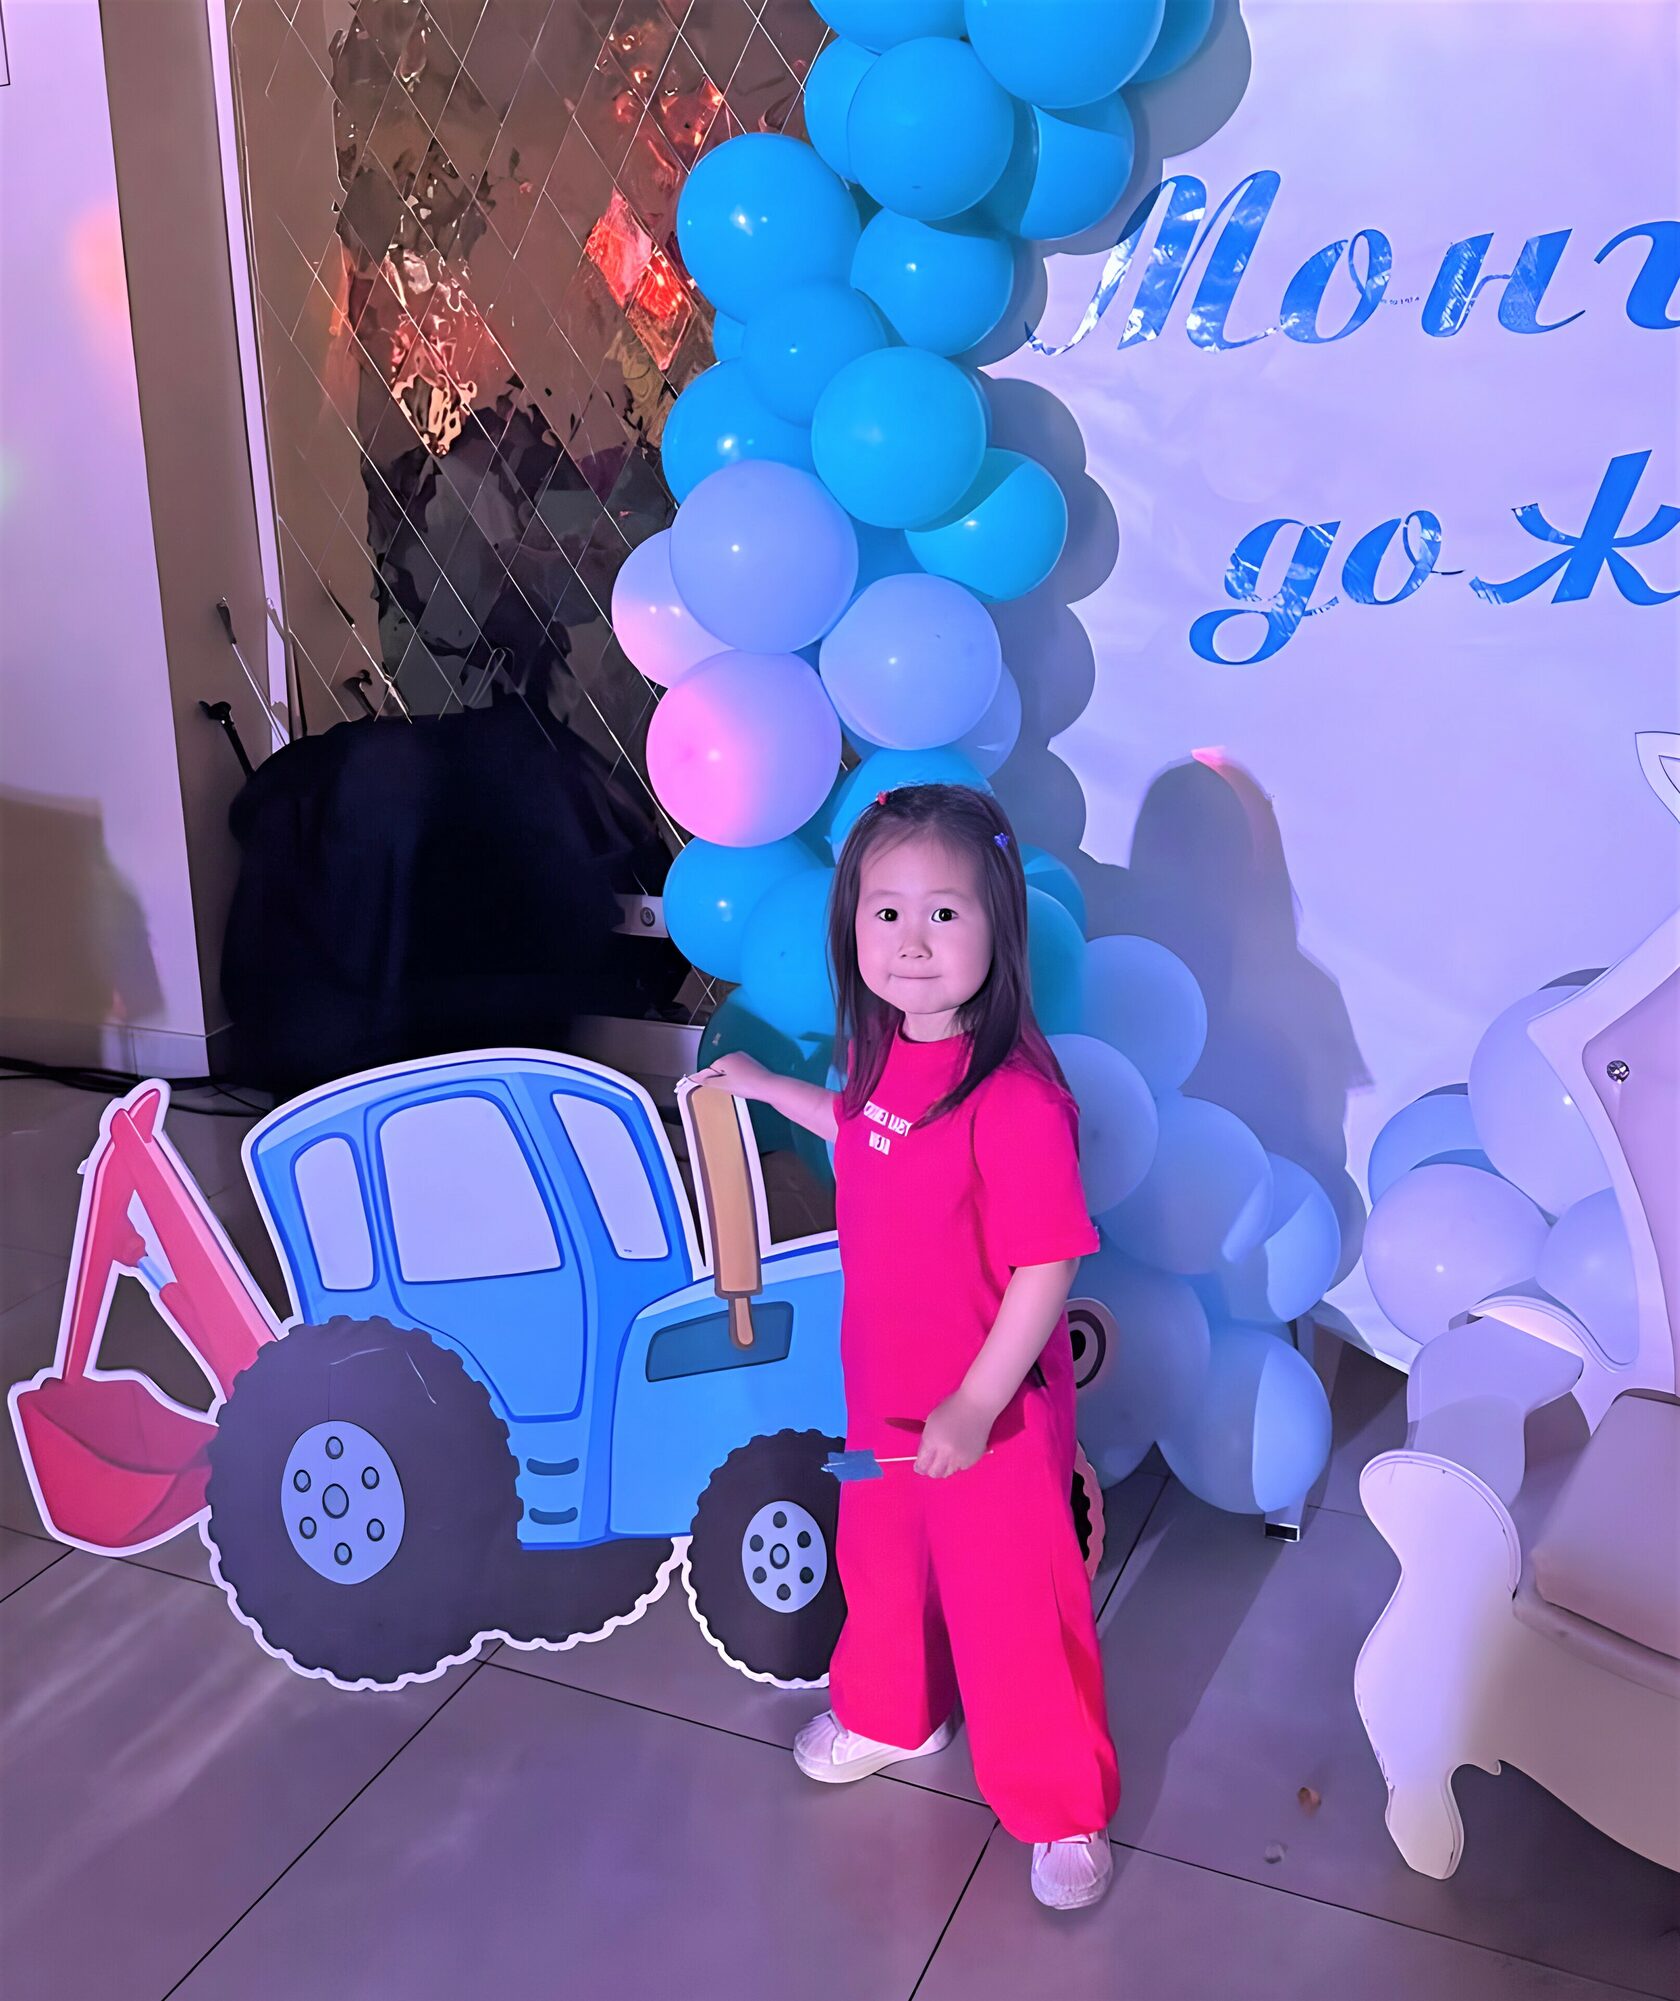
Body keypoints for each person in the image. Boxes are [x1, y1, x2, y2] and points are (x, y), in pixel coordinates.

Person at [688, 783, 1120, 1911]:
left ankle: (1060, 1805)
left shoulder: (1016, 1100)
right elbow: (860, 1130)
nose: (912, 942)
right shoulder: (883, 1054)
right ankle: (891, 1713)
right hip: (880, 1394)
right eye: (886, 913)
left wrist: (975, 1405)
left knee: (1013, 1605)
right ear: (852, 926)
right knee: (884, 1566)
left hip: (992, 1416)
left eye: (944, 913)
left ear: (998, 927)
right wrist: (768, 1086)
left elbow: (1047, 1268)